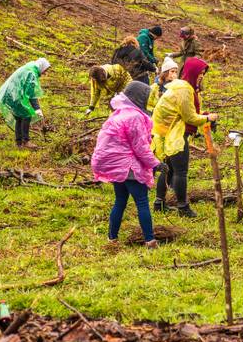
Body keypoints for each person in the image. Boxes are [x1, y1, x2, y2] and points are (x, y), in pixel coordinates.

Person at [91, 82, 165, 249]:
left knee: (120, 201)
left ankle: (112, 239)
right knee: (142, 202)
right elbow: (140, 147)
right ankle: (150, 241)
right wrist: (157, 164)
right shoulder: (135, 117)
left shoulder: (119, 114)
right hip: (128, 166)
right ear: (139, 97)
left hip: (116, 168)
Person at [152, 57, 217, 217]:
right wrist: (208, 118)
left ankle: (159, 203)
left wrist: (204, 115)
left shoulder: (183, 87)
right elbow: (189, 117)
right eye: (200, 73)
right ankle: (183, 207)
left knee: (168, 168)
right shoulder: (184, 89)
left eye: (203, 74)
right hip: (175, 134)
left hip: (166, 132)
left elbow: (187, 112)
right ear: (193, 72)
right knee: (180, 171)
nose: (202, 77)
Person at [0, 58, 51, 148]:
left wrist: (36, 108)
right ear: (41, 67)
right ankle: (26, 141)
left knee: (19, 117)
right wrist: (37, 108)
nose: (44, 73)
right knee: (27, 115)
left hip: (10, 95)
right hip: (15, 96)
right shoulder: (31, 73)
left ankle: (19, 143)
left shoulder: (29, 68)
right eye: (45, 70)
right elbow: (30, 93)